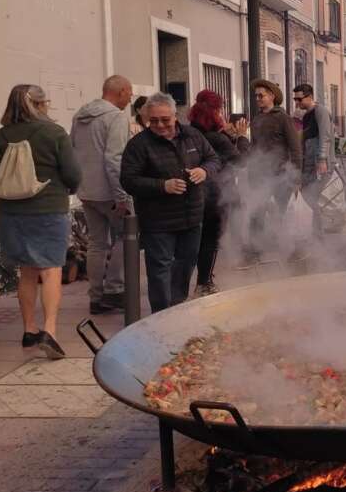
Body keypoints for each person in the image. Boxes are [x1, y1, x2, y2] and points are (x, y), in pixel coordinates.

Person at [0, 84, 81, 359]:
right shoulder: (54, 133)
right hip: (48, 209)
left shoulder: (0, 136)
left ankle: (29, 330)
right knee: (50, 269)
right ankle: (49, 331)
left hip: (10, 213)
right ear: (40, 105)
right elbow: (73, 174)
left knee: (26, 271)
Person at [120, 93, 220, 312]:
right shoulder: (138, 145)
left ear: (176, 116)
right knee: (160, 269)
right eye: (153, 121)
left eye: (165, 120)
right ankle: (161, 314)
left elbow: (213, 159)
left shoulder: (193, 136)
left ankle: (176, 307)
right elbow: (128, 180)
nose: (159, 125)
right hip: (157, 220)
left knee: (186, 265)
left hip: (192, 216)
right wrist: (162, 186)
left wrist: (203, 171)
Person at [70, 75, 133, 315]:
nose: (130, 98)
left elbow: (72, 150)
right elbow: (114, 158)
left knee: (97, 243)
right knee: (126, 237)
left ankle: (95, 297)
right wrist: (122, 196)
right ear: (120, 92)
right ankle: (115, 290)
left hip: (87, 191)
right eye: (129, 93)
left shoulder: (79, 116)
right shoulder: (116, 117)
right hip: (110, 192)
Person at [188, 90, 248, 296]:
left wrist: (227, 136)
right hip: (216, 195)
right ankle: (204, 282)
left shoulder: (190, 133)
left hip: (193, 193)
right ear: (215, 112)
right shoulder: (216, 138)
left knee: (195, 239)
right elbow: (241, 161)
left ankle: (194, 281)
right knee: (210, 240)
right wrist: (241, 138)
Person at [247, 79, 302, 255]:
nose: (258, 99)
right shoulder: (256, 119)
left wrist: (295, 177)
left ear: (272, 96)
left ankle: (288, 250)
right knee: (257, 213)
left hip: (281, 175)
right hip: (260, 175)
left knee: (282, 214)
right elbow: (254, 148)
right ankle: (256, 250)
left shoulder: (283, 118)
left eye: (261, 95)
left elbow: (295, 148)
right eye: (256, 96)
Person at [293, 83, 335, 233]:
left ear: (310, 97)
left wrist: (323, 159)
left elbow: (326, 136)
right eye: (295, 99)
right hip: (309, 164)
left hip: (320, 164)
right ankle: (312, 234)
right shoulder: (306, 115)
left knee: (310, 197)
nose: (297, 103)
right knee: (306, 197)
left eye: (299, 99)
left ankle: (317, 236)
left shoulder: (321, 111)